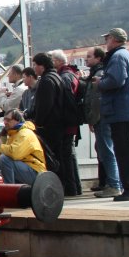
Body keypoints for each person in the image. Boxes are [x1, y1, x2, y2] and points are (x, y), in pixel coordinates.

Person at [96, 28, 129, 202]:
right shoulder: (125, 55)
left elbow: (117, 80)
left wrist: (100, 82)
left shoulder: (117, 57)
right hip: (124, 110)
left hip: (120, 111)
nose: (106, 41)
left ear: (115, 39)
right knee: (125, 150)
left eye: (108, 38)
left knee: (124, 152)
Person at [86, 46, 121, 197]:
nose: (87, 59)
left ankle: (114, 184)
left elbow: (96, 100)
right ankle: (110, 183)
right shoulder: (98, 73)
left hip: (102, 118)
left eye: (89, 56)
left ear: (98, 58)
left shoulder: (99, 74)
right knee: (104, 150)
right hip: (102, 117)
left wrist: (93, 118)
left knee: (107, 151)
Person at [48, 49, 82, 196]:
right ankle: (75, 187)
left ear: (57, 61)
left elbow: (66, 101)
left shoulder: (65, 77)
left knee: (65, 156)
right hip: (70, 122)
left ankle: (70, 188)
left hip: (66, 123)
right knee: (69, 156)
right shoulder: (70, 74)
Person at [30, 53, 67, 185]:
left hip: (49, 125)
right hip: (58, 123)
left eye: (35, 65)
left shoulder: (46, 80)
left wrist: (38, 122)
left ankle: (55, 184)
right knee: (59, 156)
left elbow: (45, 105)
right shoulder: (56, 77)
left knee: (51, 157)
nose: (34, 68)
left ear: (42, 66)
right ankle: (62, 185)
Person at [0, 109, 46, 185]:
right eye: (4, 120)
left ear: (17, 121)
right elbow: (2, 159)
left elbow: (15, 154)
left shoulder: (25, 133)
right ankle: (13, 190)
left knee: (4, 159)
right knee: (3, 159)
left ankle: (9, 190)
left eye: (8, 120)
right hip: (27, 169)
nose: (5, 122)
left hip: (36, 172)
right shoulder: (13, 134)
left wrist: (0, 145)